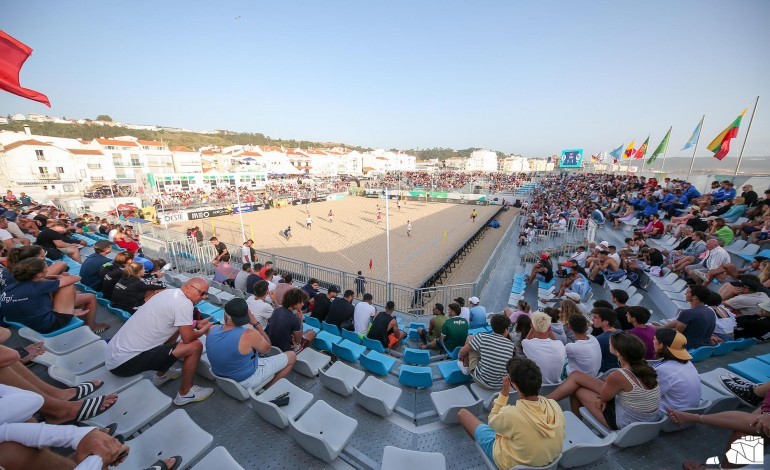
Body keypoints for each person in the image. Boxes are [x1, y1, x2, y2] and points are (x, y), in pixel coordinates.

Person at [105, 278, 215, 406]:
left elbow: (174, 322)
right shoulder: (184, 304)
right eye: (202, 293)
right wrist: (205, 328)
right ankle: (185, 393)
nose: (204, 297)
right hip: (123, 364)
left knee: (177, 329)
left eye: (206, 294)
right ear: (190, 288)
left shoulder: (168, 293)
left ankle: (162, 374)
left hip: (114, 355)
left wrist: (194, 323)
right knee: (195, 346)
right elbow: (188, 338)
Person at [458, 358, 565, 469]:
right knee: (498, 410)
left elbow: (492, 421)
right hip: (547, 462)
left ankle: (484, 449)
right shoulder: (554, 405)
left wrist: (504, 393)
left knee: (462, 413)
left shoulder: (510, 414)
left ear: (515, 385)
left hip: (510, 463)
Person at [547, 332, 662, 430]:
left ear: (618, 352)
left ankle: (573, 422)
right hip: (646, 418)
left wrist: (605, 396)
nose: (609, 343)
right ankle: (546, 401)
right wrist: (608, 390)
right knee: (576, 375)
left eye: (611, 343)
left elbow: (605, 396)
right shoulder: (647, 368)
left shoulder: (619, 375)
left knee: (578, 390)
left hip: (626, 422)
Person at [206, 298, 295, 389]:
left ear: (225, 316)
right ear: (248, 316)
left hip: (221, 376)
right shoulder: (250, 334)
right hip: (246, 381)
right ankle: (268, 387)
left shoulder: (212, 329)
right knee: (292, 355)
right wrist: (256, 324)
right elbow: (268, 348)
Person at [2, 258, 107, 334]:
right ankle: (91, 326)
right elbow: (76, 278)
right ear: (38, 274)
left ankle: (72, 311)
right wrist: (61, 277)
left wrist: (52, 277)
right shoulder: (38, 286)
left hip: (26, 326)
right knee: (67, 285)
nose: (47, 270)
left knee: (60, 286)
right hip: (47, 326)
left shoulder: (9, 288)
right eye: (45, 269)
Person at [458, 314, 516, 390]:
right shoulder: (511, 345)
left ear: (492, 327)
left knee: (470, 338)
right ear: (506, 329)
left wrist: (460, 357)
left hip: (481, 381)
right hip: (500, 385)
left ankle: (465, 367)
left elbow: (462, 351)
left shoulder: (482, 337)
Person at [652, 329, 701, 412]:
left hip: (674, 416)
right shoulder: (688, 363)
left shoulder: (662, 369)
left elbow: (652, 395)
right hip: (692, 410)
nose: (653, 341)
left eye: (654, 339)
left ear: (661, 345)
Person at [265, 288, 316, 352]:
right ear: (294, 302)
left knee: (307, 331)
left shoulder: (276, 310)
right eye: (301, 302)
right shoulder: (294, 319)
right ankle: (301, 352)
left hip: (271, 345)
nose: (302, 304)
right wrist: (300, 319)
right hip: (285, 351)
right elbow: (298, 340)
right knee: (312, 334)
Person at [522, 312, 566, 384]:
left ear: (532, 326)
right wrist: (549, 331)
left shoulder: (527, 344)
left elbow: (526, 340)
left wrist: (532, 328)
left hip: (538, 387)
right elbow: (556, 341)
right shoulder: (560, 344)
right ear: (549, 329)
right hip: (557, 385)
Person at [591, 308, 619, 373]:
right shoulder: (622, 332)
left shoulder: (600, 339)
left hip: (605, 372)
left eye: (596, 318)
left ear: (606, 322)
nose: (592, 319)